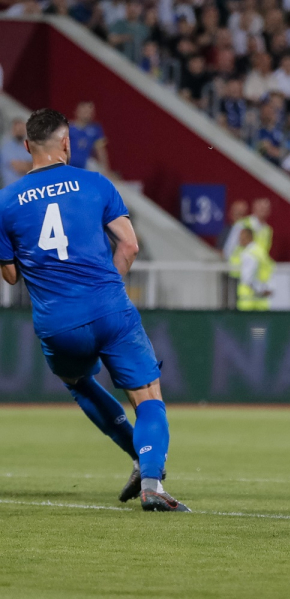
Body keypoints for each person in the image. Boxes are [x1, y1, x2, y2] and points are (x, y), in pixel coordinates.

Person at [0, 108, 187, 511]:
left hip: (58, 321)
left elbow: (11, 276)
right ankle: (152, 482)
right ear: (66, 142)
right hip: (109, 308)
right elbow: (130, 245)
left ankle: (136, 456)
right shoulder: (95, 183)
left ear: (27, 145)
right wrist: (109, 287)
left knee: (79, 382)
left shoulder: (6, 202)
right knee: (147, 394)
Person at [236, 227, 275, 311]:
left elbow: (247, 278)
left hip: (248, 300)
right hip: (261, 301)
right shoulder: (260, 252)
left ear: (249, 237)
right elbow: (269, 272)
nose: (239, 240)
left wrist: (260, 290)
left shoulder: (249, 254)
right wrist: (268, 288)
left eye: (241, 238)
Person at [68, 101, 110, 172]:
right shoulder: (66, 127)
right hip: (68, 165)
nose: (87, 114)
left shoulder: (95, 129)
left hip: (85, 165)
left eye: (89, 111)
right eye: (84, 111)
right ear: (77, 111)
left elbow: (100, 150)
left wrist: (106, 169)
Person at [0, 118, 31, 187]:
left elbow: (39, 164)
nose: (20, 131)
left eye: (22, 129)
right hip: (12, 189)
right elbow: (18, 167)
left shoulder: (27, 146)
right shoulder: (6, 146)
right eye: (18, 129)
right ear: (13, 130)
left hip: (26, 188)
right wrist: (31, 165)